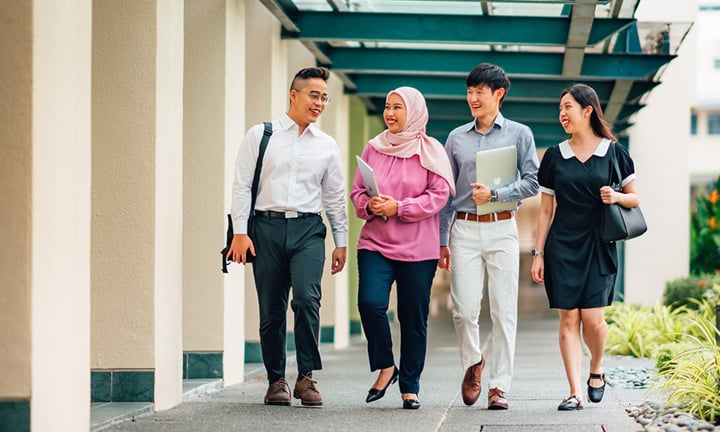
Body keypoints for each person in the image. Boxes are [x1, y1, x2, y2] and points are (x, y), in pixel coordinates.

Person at [227, 67, 348, 407]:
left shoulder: (326, 146)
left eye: (324, 97)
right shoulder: (260, 135)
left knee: (307, 300)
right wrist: (239, 233)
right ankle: (276, 380)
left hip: (308, 229)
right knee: (271, 310)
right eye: (314, 95)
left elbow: (335, 197)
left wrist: (341, 241)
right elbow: (241, 186)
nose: (320, 103)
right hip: (265, 228)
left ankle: (307, 376)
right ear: (293, 95)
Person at [530, 83, 640, 411]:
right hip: (562, 245)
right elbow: (546, 210)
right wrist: (538, 254)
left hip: (599, 243)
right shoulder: (553, 156)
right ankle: (574, 391)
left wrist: (617, 196)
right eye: (560, 109)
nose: (562, 114)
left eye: (568, 107)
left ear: (587, 110)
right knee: (568, 318)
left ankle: (597, 368)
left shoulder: (614, 152)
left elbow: (635, 198)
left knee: (593, 319)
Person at [439, 63, 539, 410]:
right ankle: (474, 362)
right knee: (464, 311)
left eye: (480, 91)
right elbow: (447, 194)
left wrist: (496, 195)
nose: (473, 98)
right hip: (464, 228)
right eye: (469, 91)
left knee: (503, 310)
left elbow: (532, 182)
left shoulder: (520, 134)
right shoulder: (455, 138)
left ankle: (499, 386)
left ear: (499, 94)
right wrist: (441, 241)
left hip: (502, 227)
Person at [350, 86, 455, 410]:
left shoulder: (431, 150)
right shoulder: (374, 148)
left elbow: (438, 196)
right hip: (375, 243)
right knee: (370, 303)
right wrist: (371, 205)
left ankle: (410, 385)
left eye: (398, 107)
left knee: (413, 318)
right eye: (387, 106)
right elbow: (356, 193)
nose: (390, 113)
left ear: (415, 112)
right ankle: (386, 365)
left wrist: (400, 207)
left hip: (418, 250)